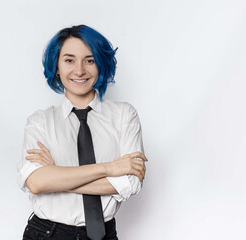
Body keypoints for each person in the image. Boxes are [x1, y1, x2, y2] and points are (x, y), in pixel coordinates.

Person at [17, 24, 148, 240]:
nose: (79, 71)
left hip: (103, 234)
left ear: (101, 64)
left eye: (90, 60)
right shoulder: (39, 122)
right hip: (47, 233)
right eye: (69, 60)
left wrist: (56, 176)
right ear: (57, 66)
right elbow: (37, 182)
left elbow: (130, 183)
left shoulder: (125, 115)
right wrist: (109, 168)